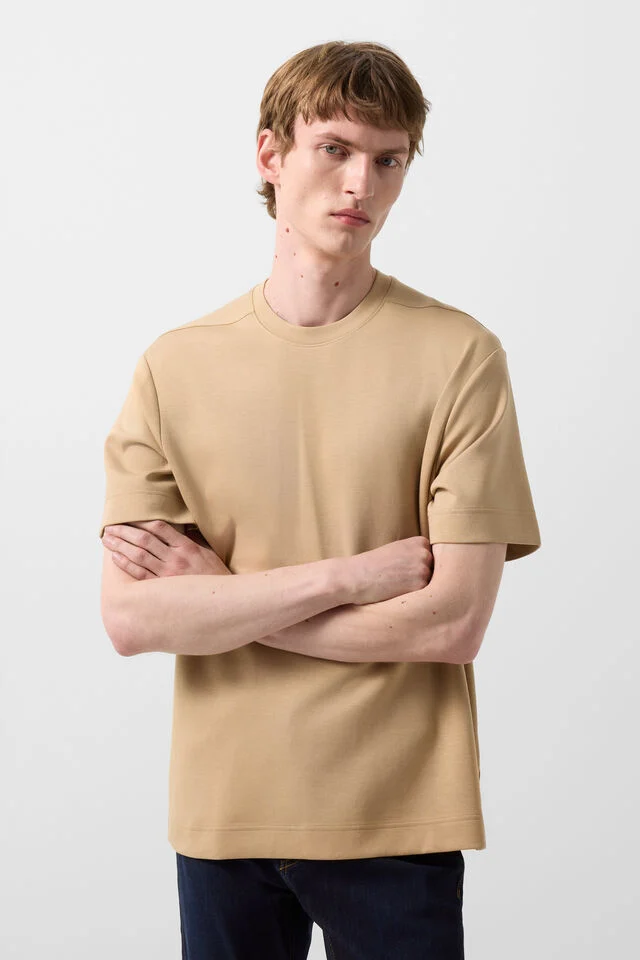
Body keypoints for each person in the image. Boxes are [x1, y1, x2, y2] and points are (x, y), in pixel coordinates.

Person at [98, 40, 541, 960]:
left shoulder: (460, 358)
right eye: (334, 148)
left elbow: (451, 624)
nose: (361, 184)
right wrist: (352, 576)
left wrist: (225, 600)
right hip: (225, 813)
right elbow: (134, 619)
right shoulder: (175, 367)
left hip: (395, 814)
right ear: (271, 155)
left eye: (389, 160)